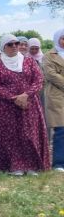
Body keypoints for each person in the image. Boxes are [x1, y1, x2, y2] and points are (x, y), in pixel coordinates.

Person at [0, 34, 50, 175]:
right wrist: (14, 98)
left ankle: (32, 165)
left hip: (29, 104)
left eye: (16, 43)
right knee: (12, 137)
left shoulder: (29, 61)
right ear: (4, 47)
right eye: (10, 44)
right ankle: (15, 166)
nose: (15, 46)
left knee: (29, 134)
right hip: (6, 107)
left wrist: (25, 95)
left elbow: (38, 80)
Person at [43, 28, 64, 172]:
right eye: (63, 38)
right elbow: (51, 74)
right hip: (57, 95)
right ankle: (58, 163)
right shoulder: (49, 55)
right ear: (57, 39)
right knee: (61, 130)